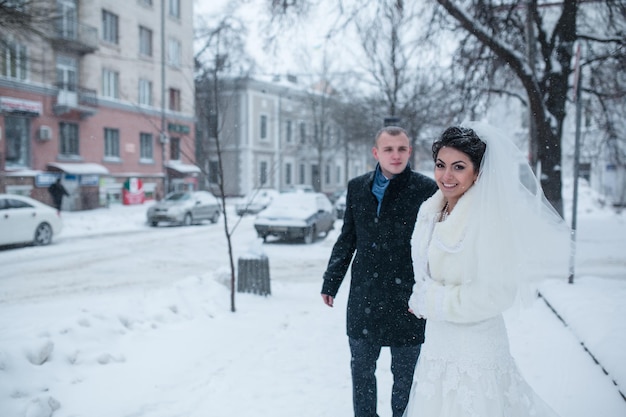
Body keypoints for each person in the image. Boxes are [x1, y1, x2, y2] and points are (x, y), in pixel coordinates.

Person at [403, 122, 571, 417]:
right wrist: (421, 294)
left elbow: (497, 294)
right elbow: (426, 273)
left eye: (459, 167)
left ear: (477, 173)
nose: (446, 175)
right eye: (441, 165)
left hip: (474, 352)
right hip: (438, 346)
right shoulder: (431, 211)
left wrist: (432, 301)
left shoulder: (490, 220)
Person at [321, 126, 438, 417]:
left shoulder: (426, 189)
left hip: (407, 300)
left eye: (401, 149)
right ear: (376, 153)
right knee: (361, 374)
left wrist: (429, 292)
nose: (395, 155)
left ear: (409, 152)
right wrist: (330, 282)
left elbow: (434, 247)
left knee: (406, 379)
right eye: (388, 149)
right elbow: (347, 237)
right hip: (365, 298)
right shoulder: (357, 187)